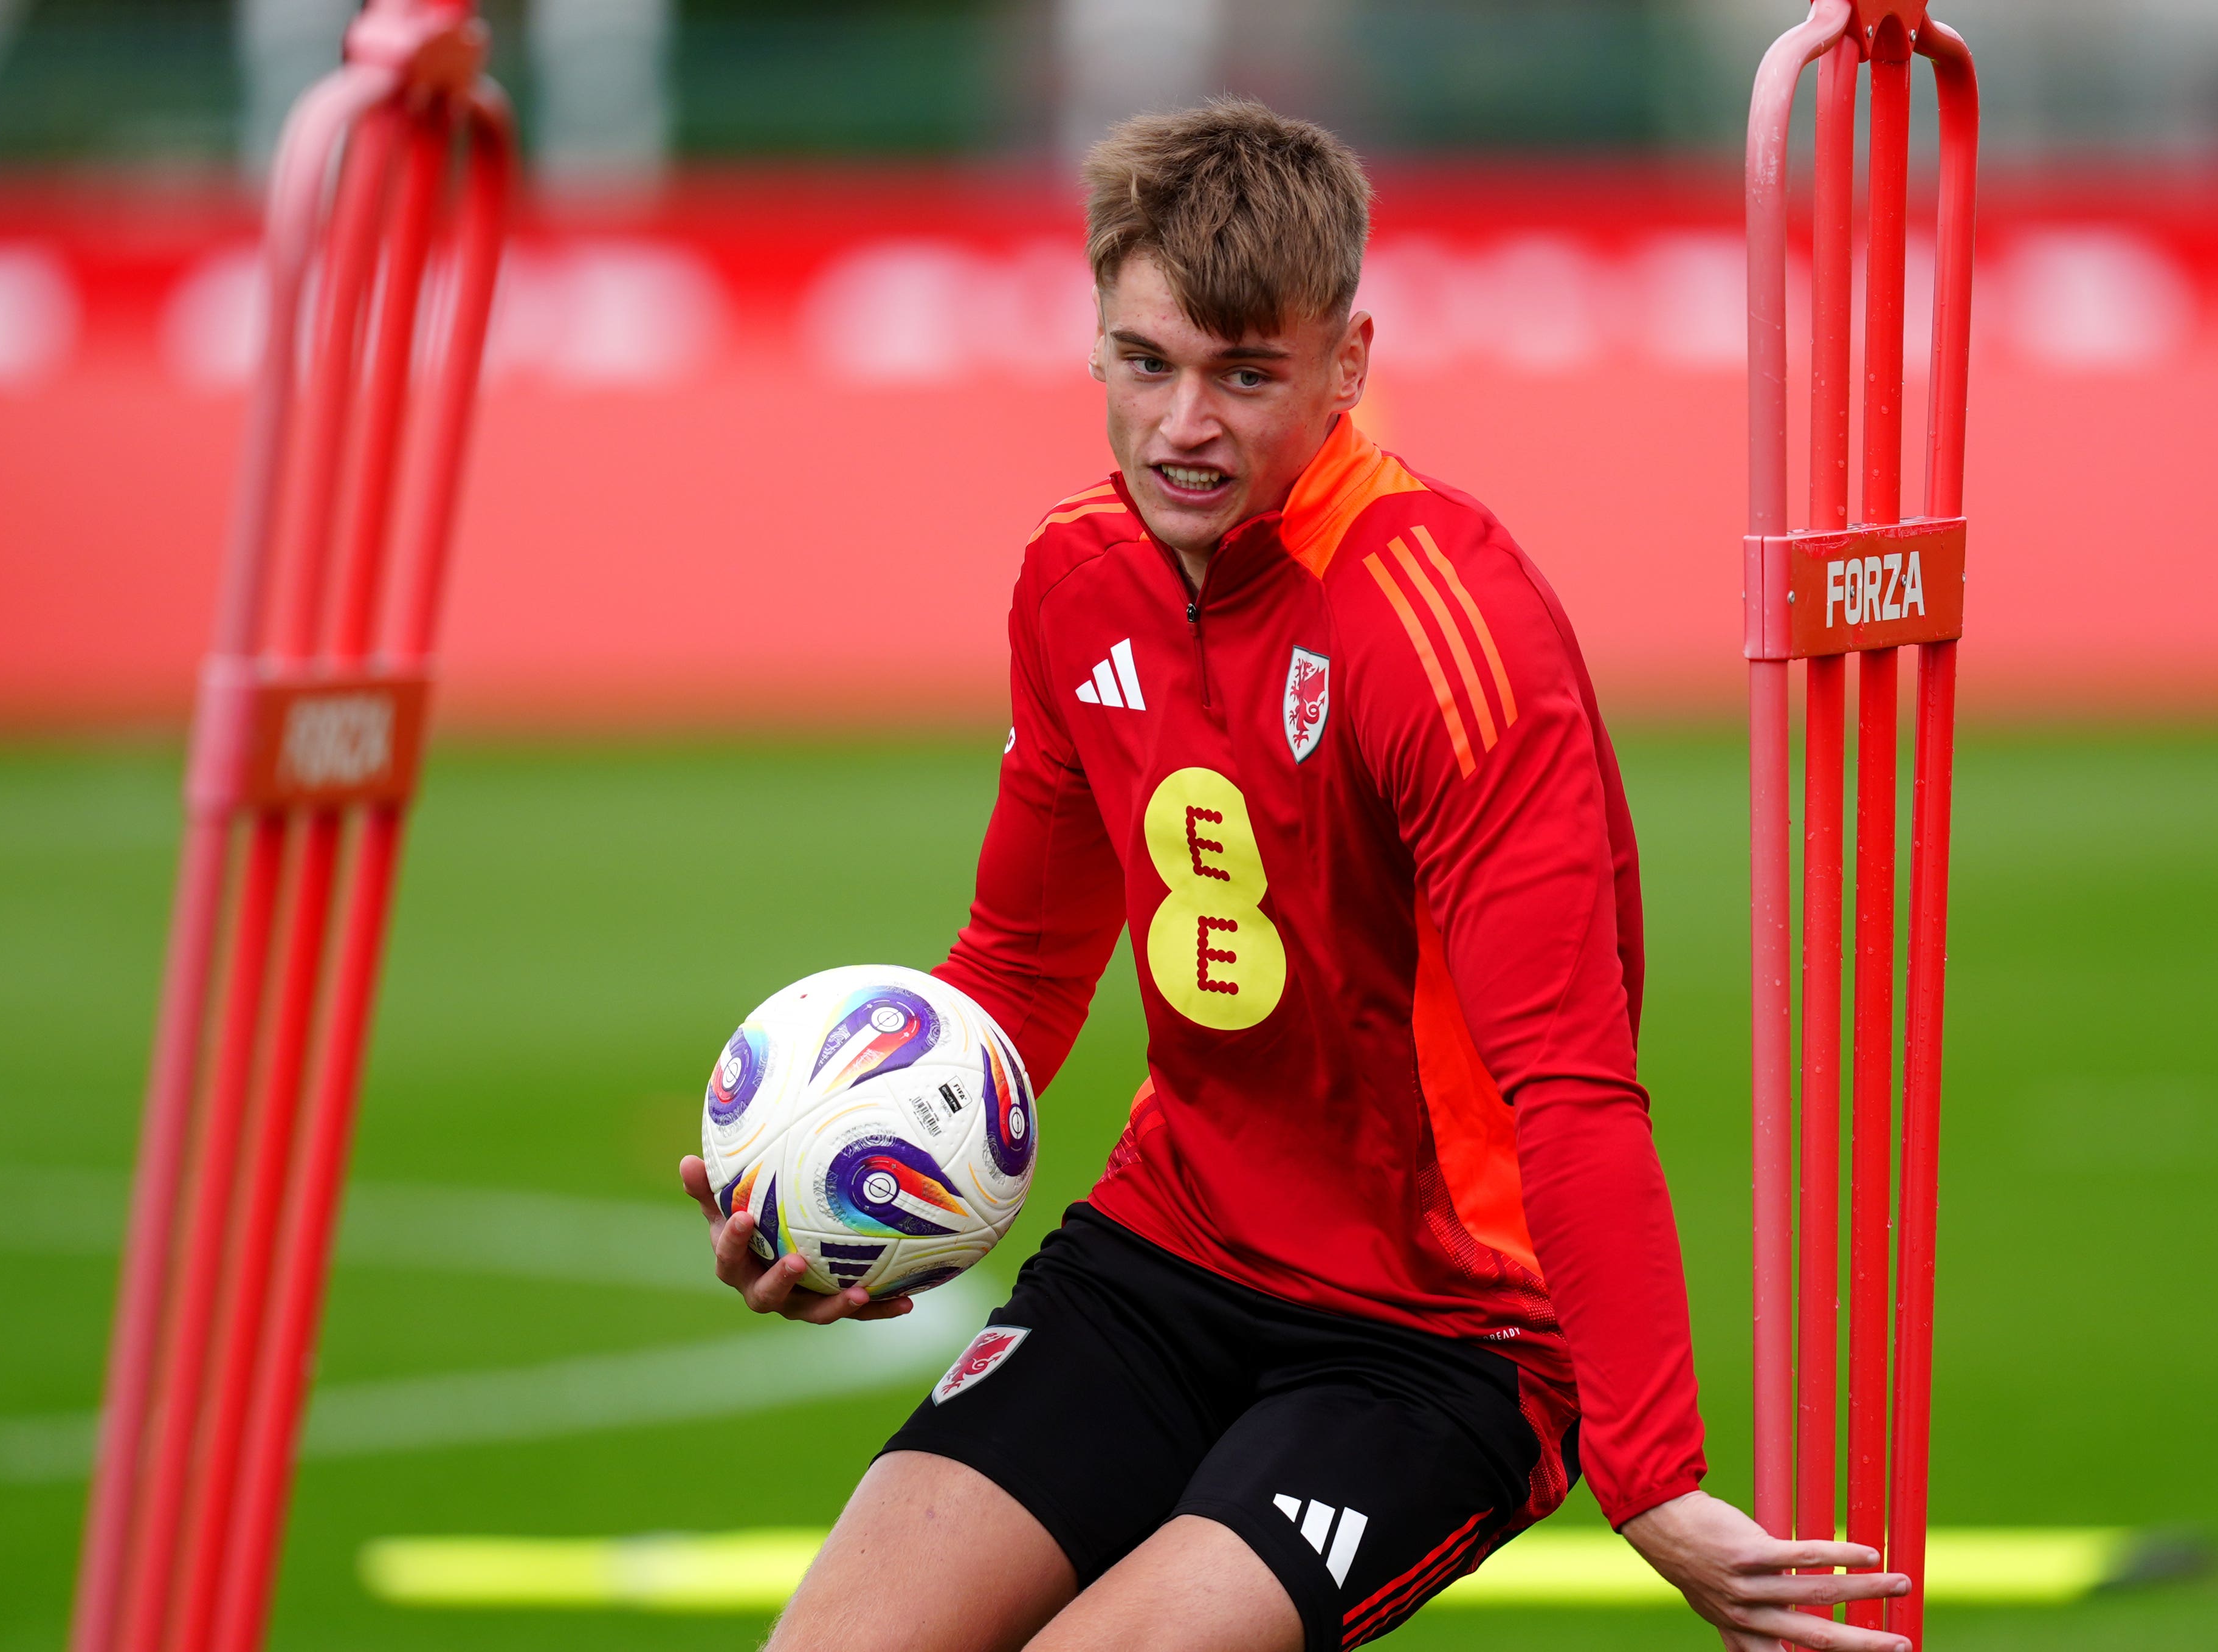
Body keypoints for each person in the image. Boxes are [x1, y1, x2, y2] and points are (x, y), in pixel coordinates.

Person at [678, 98, 1912, 1652]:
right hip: (1167, 1249)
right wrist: (861, 1187)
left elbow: (1572, 1086)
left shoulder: (1441, 627)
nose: (1181, 425)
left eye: (1243, 374)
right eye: (1145, 364)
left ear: (1346, 362)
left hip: (1440, 1331)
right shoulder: (1074, 578)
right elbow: (1021, 962)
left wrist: (1650, 1476)